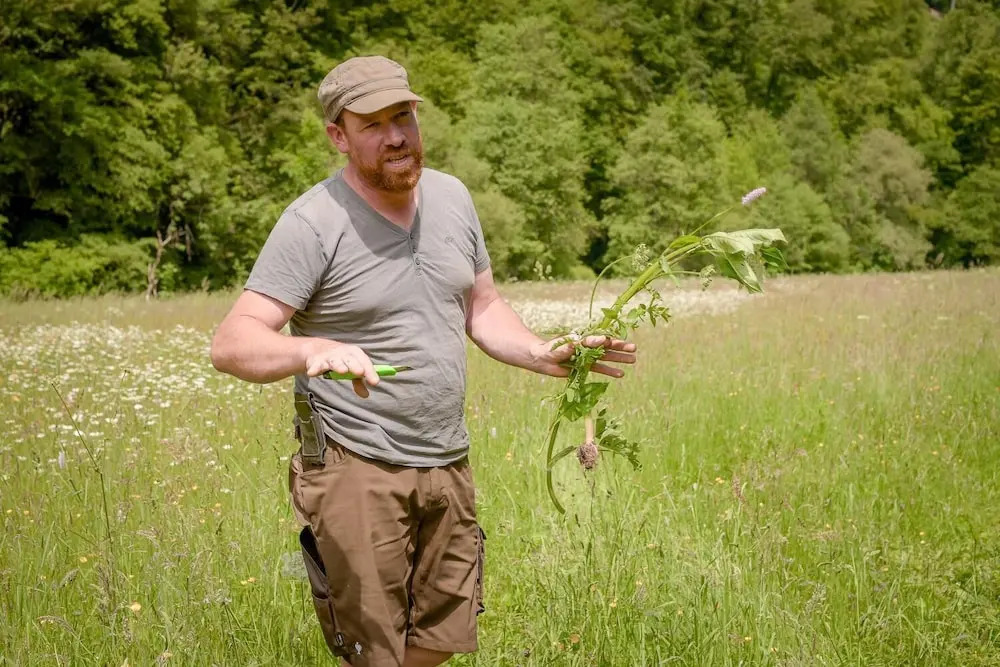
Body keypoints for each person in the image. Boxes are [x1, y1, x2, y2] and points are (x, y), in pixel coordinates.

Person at [209, 55, 637, 667]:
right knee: (375, 652)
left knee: (439, 639)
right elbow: (232, 342)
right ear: (338, 136)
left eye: (404, 116)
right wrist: (315, 349)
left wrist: (540, 352)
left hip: (446, 457)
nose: (397, 136)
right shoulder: (312, 222)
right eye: (374, 124)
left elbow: (482, 306)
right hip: (357, 461)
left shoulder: (453, 198)